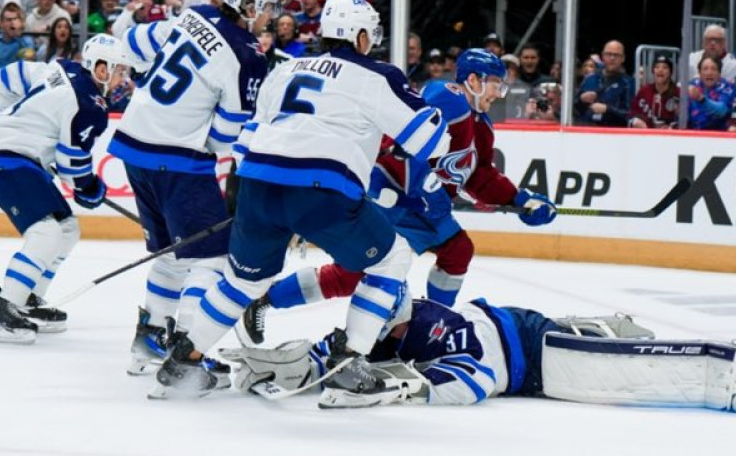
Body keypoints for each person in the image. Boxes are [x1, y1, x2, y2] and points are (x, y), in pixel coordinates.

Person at [148, 0, 451, 399]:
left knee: (241, 282)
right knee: (392, 259)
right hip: (321, 189)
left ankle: (183, 362)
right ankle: (348, 362)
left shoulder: (284, 69)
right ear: (360, 35)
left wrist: (261, 207)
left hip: (257, 182)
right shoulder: (377, 75)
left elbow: (244, 143)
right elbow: (430, 141)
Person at [237, 47, 558, 349]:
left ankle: (431, 322)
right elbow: (407, 140)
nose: (496, 94)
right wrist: (426, 185)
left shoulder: (482, 127)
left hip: (426, 209)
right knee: (352, 275)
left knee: (458, 250)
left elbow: (480, 176)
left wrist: (519, 200)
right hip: (394, 196)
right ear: (472, 80)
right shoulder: (449, 97)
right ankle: (266, 299)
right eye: (494, 85)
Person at [110, 0, 280, 377]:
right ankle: (186, 358)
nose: (271, 16)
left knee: (173, 253)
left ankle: (149, 340)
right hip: (176, 159)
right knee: (212, 259)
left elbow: (131, 43)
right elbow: (226, 137)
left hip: (132, 145)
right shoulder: (248, 55)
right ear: (250, 4)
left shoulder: (196, 14)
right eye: (268, 7)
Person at [223, 296, 736, 411]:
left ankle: (722, 368)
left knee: (614, 370)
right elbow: (334, 356)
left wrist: (403, 389)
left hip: (527, 351)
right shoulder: (377, 323)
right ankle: (600, 324)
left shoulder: (433, 326)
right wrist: (284, 364)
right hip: (520, 353)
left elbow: (477, 378)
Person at [0, 35, 140, 343]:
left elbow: (9, 75)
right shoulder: (90, 105)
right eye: (118, 71)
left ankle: (29, 299)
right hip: (4, 162)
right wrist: (89, 188)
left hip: (13, 160)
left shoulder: (61, 69)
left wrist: (3, 116)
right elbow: (72, 163)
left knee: (67, 229)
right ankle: (4, 311)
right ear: (101, 68)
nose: (122, 79)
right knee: (46, 233)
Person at [574, 40, 634, 126]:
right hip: (586, 131)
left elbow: (631, 115)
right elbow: (573, 108)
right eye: (608, 54)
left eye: (616, 55)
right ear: (602, 56)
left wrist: (607, 109)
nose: (612, 58)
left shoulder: (629, 83)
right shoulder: (590, 79)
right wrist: (581, 99)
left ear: (623, 58)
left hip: (613, 133)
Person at [686, 55, 736, 131]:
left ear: (719, 73)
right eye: (705, 69)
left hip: (719, 134)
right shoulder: (692, 85)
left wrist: (701, 99)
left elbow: (721, 110)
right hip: (693, 133)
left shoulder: (727, 86)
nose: (709, 73)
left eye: (713, 69)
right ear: (699, 73)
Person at [628, 54, 678, 128]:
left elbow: (684, 121)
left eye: (665, 67)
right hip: (646, 136)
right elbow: (631, 114)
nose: (660, 70)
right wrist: (635, 121)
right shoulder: (644, 91)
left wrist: (671, 127)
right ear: (653, 71)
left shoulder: (678, 93)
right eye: (657, 67)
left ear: (670, 72)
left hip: (670, 137)